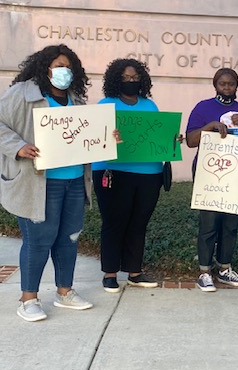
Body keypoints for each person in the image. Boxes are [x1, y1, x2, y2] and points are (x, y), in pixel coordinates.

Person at [0, 44, 94, 322]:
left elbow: (87, 137)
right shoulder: (23, 94)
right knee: (38, 241)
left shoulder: (76, 100)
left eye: (68, 67)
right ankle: (28, 298)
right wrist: (18, 147)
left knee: (69, 239)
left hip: (74, 180)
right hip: (39, 183)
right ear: (44, 68)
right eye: (58, 66)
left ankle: (65, 291)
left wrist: (105, 137)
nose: (64, 71)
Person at [92, 58, 165, 293]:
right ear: (116, 79)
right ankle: (110, 273)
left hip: (149, 172)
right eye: (125, 78)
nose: (131, 81)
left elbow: (157, 135)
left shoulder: (150, 105)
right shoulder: (105, 104)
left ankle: (134, 272)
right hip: (113, 171)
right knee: (114, 222)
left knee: (138, 223)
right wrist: (107, 136)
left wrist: (170, 139)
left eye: (135, 78)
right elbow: (93, 139)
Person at [186, 68, 238, 292]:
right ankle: (204, 272)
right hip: (209, 173)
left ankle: (225, 268)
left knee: (230, 223)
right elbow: (190, 140)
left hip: (237, 173)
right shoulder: (203, 107)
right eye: (222, 84)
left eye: (231, 84)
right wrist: (210, 127)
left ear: (237, 85)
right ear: (215, 84)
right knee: (209, 222)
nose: (227, 88)